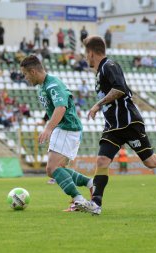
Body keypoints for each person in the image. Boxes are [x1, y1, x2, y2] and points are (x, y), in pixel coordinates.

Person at [76, 36, 156, 215]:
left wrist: (98, 104)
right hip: (113, 125)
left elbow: (120, 88)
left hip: (129, 122)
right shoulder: (99, 72)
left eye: (85, 53)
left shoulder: (109, 66)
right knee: (102, 160)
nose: (85, 57)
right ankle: (96, 203)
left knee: (151, 162)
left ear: (91, 52)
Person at [20, 55, 93, 212]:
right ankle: (89, 184)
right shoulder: (43, 86)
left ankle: (79, 199)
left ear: (32, 71)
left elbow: (61, 108)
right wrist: (45, 121)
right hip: (66, 128)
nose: (25, 78)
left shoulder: (52, 85)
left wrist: (48, 128)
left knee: (52, 169)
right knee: (56, 168)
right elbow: (53, 108)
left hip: (66, 127)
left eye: (25, 74)